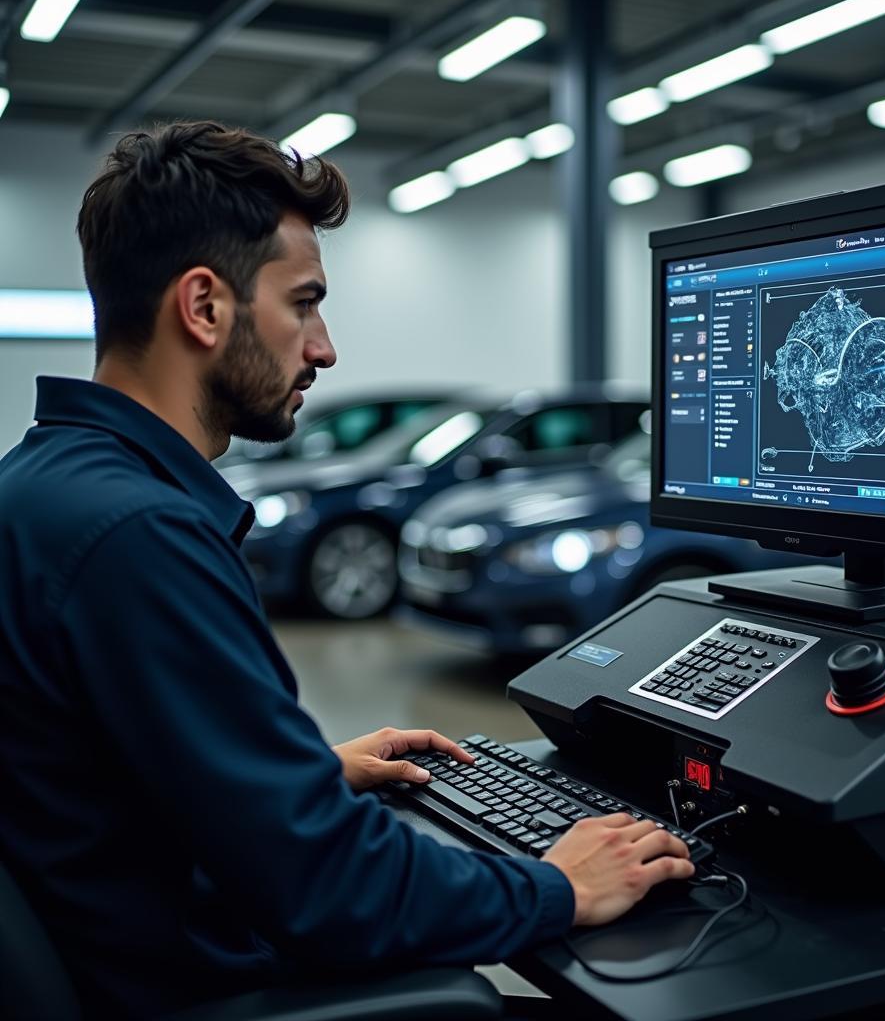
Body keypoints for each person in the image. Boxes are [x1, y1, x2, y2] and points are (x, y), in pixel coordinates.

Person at [0, 121, 694, 1019]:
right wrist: (558, 885)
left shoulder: (38, 486)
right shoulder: (140, 535)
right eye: (303, 304)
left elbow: (93, 780)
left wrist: (290, 777)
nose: (323, 350)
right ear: (204, 307)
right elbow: (329, 889)